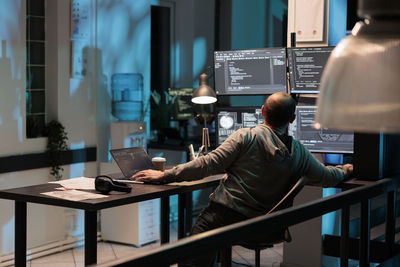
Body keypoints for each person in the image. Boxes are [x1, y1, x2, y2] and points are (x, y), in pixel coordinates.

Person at [133, 92, 353, 266]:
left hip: (226, 217)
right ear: (293, 119)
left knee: (192, 253)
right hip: (267, 226)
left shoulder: (245, 136)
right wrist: (346, 169)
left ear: (262, 111)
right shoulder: (300, 154)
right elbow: (328, 177)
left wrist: (165, 175)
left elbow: (206, 164)